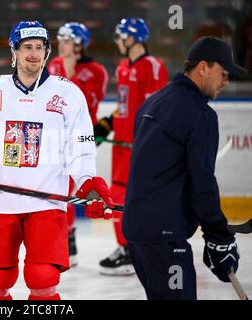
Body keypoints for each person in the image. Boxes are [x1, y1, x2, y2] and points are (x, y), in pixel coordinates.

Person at [0, 21, 115, 300]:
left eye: (39, 47)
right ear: (14, 51)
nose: (34, 53)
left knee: (43, 278)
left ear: (47, 52)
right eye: (27, 47)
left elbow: (81, 146)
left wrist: (87, 179)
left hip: (47, 200)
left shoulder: (69, 93)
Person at [123, 36, 248, 299]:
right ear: (203, 67)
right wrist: (218, 234)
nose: (227, 82)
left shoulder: (153, 102)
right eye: (223, 74)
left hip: (136, 232)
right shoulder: (200, 115)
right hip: (166, 237)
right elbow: (202, 183)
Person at [93, 18, 168, 275]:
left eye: (119, 37)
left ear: (132, 37)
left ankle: (133, 249)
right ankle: (128, 248)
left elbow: (156, 110)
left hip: (140, 146)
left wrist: (151, 144)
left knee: (128, 198)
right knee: (117, 197)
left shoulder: (153, 67)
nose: (116, 42)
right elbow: (125, 107)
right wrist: (106, 125)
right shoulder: (123, 67)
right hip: (122, 147)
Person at [48, 22, 109, 267]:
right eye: (60, 40)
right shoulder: (52, 65)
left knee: (74, 188)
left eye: (66, 40)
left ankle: (68, 238)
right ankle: (65, 238)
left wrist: (71, 73)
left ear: (79, 44)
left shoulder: (96, 71)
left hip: (80, 138)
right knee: (58, 189)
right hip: (54, 137)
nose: (61, 45)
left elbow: (86, 103)